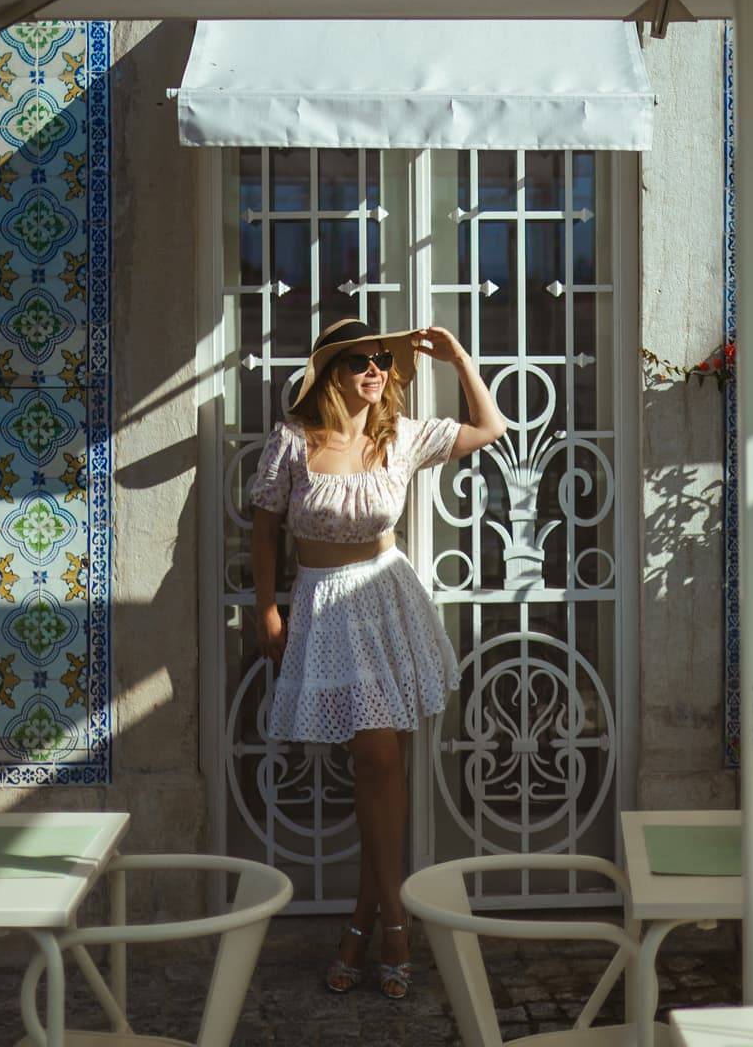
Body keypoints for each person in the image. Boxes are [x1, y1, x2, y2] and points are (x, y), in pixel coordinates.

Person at [247, 317, 503, 1000]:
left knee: (382, 765)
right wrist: (266, 607)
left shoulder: (401, 435)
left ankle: (372, 923)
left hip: (389, 601)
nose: (374, 370)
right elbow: (264, 529)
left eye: (382, 361)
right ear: (330, 372)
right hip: (325, 605)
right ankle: (389, 919)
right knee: (377, 761)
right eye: (359, 360)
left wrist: (457, 356)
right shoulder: (293, 440)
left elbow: (490, 427)